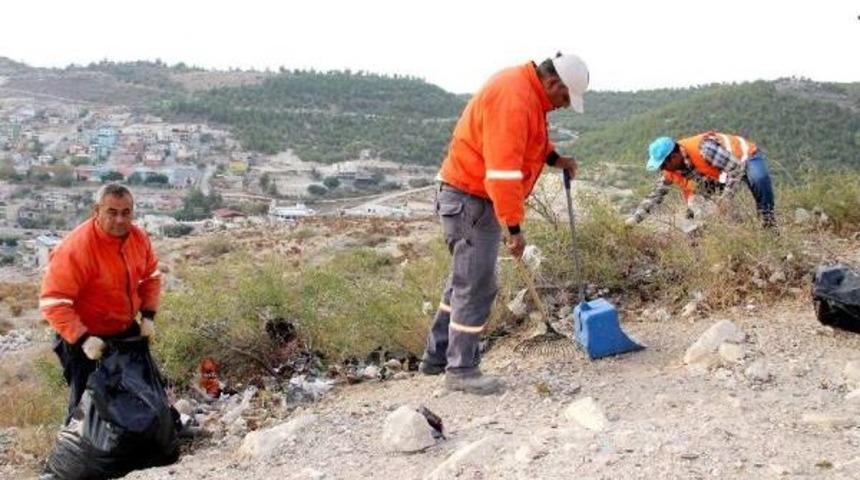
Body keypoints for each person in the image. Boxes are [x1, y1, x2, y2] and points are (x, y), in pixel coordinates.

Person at [419, 53, 589, 395]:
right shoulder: (513, 96)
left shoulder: (526, 93)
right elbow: (502, 172)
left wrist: (557, 159)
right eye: (565, 98)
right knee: (477, 284)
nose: (564, 105)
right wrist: (514, 228)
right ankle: (462, 370)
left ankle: (436, 357)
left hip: (471, 199)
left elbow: (530, 141)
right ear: (554, 83)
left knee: (462, 281)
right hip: (471, 200)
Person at [39, 183, 161, 421]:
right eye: (112, 212)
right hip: (85, 336)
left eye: (126, 212)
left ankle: (165, 432)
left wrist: (148, 316)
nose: (120, 220)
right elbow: (54, 301)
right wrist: (83, 339)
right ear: (97, 211)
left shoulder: (139, 238)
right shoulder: (77, 248)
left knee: (146, 386)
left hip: (124, 328)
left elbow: (151, 277)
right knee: (85, 401)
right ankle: (79, 453)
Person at [626, 132, 776, 228]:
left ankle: (767, 220)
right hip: (722, 170)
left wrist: (725, 201)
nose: (662, 168)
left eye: (664, 163)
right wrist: (634, 220)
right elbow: (654, 197)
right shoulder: (670, 170)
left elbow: (736, 169)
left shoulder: (705, 149)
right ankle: (736, 226)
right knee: (697, 206)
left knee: (758, 179)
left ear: (674, 156)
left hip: (744, 156)